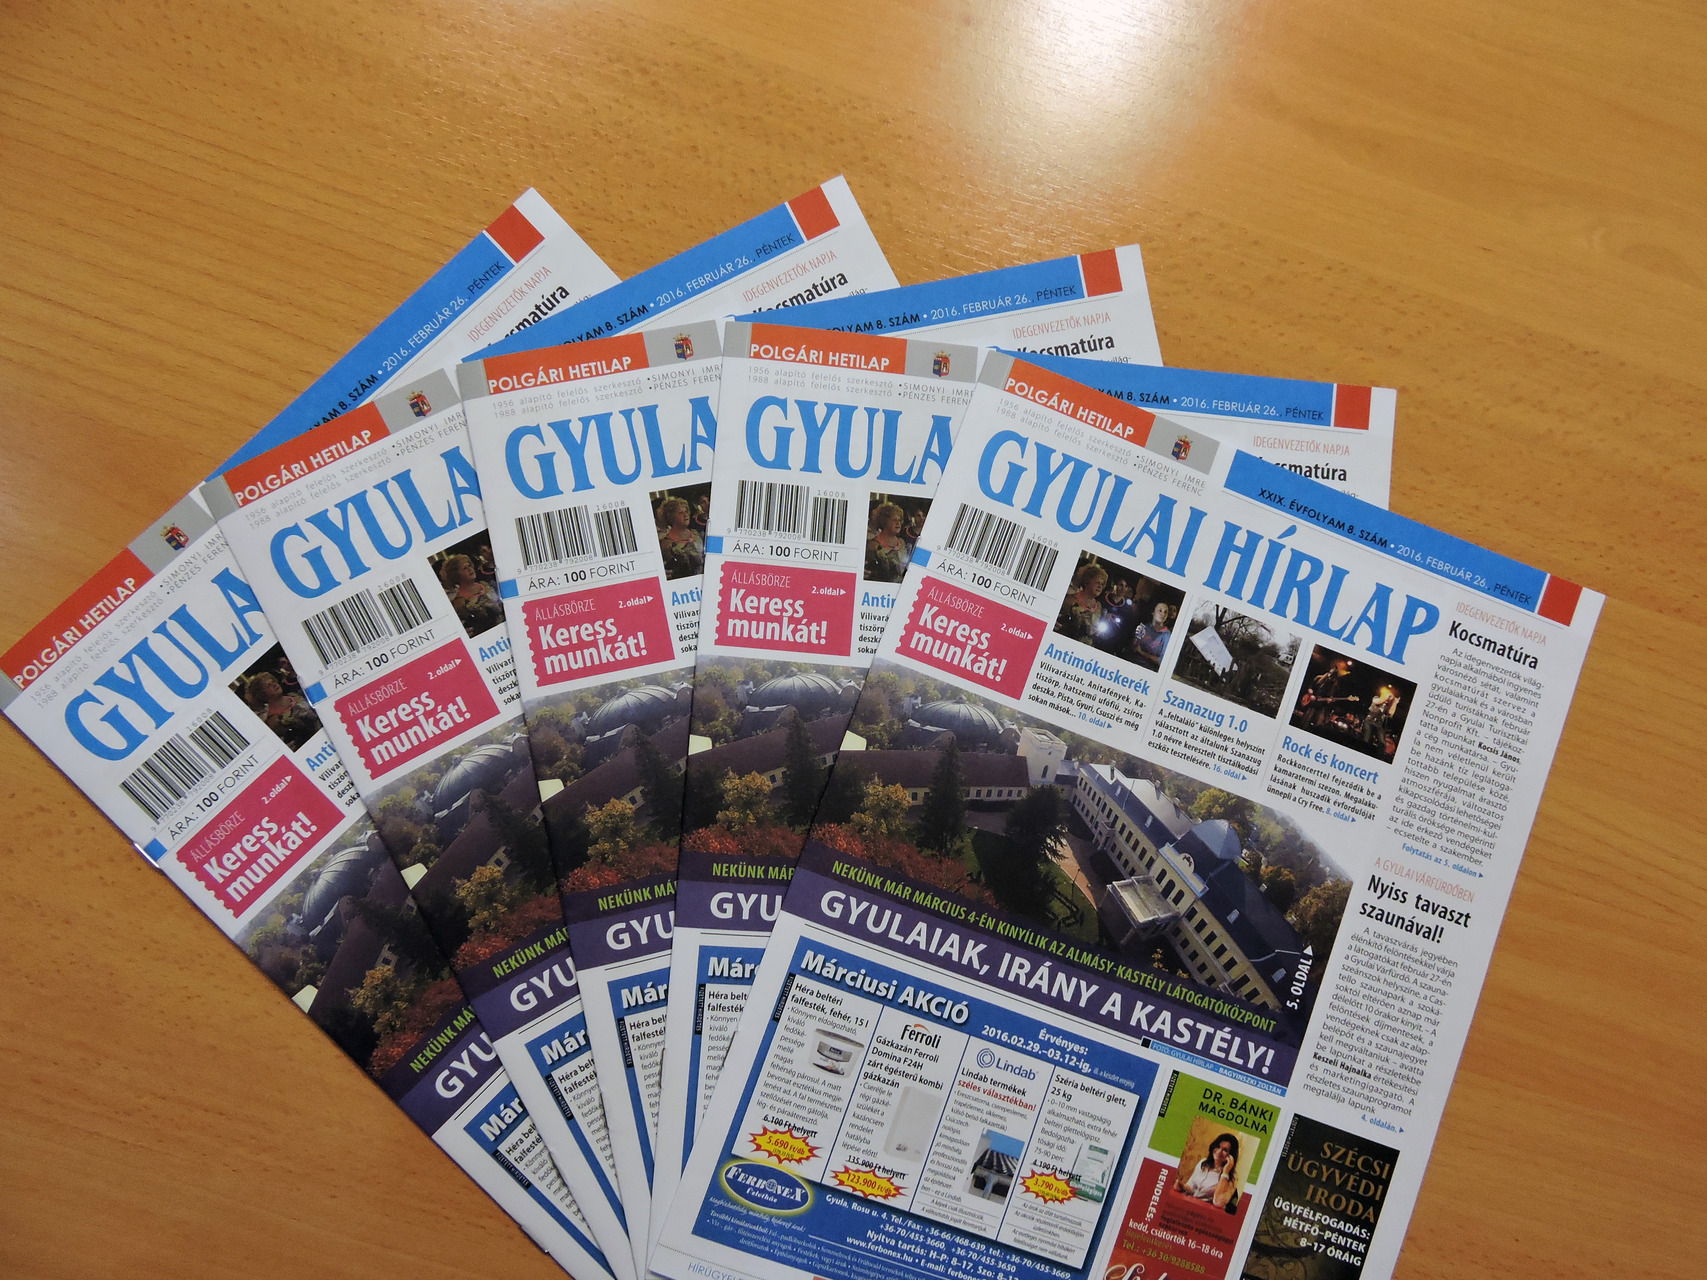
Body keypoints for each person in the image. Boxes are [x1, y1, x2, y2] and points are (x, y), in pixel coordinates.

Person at [244, 670, 320, 751]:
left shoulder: (296, 695)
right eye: (268, 685)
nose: (274, 685)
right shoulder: (272, 722)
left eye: (273, 681)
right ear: (261, 694)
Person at [439, 553, 502, 635]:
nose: (470, 569)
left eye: (469, 565)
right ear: (456, 575)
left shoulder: (484, 584)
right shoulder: (459, 602)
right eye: (464, 568)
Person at [1179, 1133, 1241, 1212]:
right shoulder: (1203, 1163)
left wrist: (1225, 1172)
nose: (1219, 1151)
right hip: (1190, 1206)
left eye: (1225, 1150)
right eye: (1218, 1146)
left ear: (1231, 1156)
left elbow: (1218, 1202)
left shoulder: (1232, 1177)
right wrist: (1181, 1187)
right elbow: (1191, 1186)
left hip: (1206, 1213)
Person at [1055, 563, 1108, 643]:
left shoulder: (1099, 606)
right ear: (1087, 582)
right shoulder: (1070, 600)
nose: (1100, 586)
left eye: (1102, 584)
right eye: (1097, 582)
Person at [656, 496, 705, 579]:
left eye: (686, 511)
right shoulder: (665, 543)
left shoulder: (696, 533)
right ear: (671, 517)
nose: (685, 515)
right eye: (680, 513)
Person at [865, 502, 912, 583]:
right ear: (884, 521)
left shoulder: (902, 543)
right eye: (894, 520)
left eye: (900, 520)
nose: (898, 523)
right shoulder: (873, 545)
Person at [1128, 600, 1175, 666]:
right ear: (1153, 612)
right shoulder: (1144, 627)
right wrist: (1136, 640)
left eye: (1165, 612)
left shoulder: (1167, 635)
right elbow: (1133, 648)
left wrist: (1142, 653)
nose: (1163, 614)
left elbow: (1161, 661)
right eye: (1160, 610)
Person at [1362, 684, 1402, 754]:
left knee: (1382, 743)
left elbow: (1390, 713)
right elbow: (1378, 701)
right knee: (1367, 738)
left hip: (1379, 724)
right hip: (1369, 720)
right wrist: (1387, 696)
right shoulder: (1376, 698)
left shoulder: (1388, 706)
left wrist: (1395, 702)